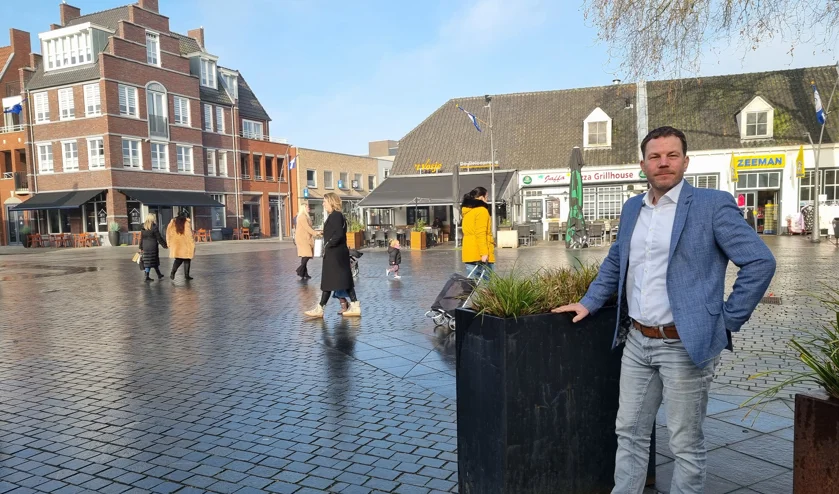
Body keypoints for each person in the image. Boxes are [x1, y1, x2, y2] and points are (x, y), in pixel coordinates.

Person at [553, 126, 776, 494]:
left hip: (685, 345)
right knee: (629, 432)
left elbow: (759, 263)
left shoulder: (711, 205)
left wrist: (725, 322)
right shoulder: (631, 208)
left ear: (686, 161)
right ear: (643, 164)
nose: (664, 163)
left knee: (685, 444)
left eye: (672, 155)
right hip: (637, 342)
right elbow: (615, 261)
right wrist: (589, 301)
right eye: (655, 157)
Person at [304, 192, 361, 318]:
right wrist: (326, 234)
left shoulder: (335, 216)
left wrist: (328, 245)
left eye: (324, 201)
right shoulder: (337, 216)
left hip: (335, 254)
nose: (323, 204)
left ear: (331, 201)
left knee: (330, 281)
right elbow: (336, 233)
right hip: (338, 253)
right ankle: (354, 305)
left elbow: (339, 235)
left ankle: (320, 309)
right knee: (341, 280)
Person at [461, 186, 495, 280]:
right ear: (481, 197)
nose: (487, 199)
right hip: (480, 253)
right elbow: (481, 233)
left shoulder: (467, 212)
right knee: (487, 287)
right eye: (486, 197)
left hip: (469, 252)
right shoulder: (481, 211)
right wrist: (484, 253)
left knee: (472, 283)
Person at [139, 213, 168, 282]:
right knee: (152, 260)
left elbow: (141, 238)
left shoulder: (143, 227)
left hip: (145, 246)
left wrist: (140, 247)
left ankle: (158, 274)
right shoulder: (154, 227)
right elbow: (159, 237)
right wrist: (164, 245)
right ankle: (147, 277)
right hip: (152, 246)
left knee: (149, 261)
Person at [167, 210, 195, 280]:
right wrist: (192, 243)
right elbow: (189, 235)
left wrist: (169, 242)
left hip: (176, 244)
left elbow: (168, 233)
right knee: (187, 259)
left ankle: (172, 273)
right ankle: (186, 275)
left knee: (178, 260)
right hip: (185, 244)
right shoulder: (186, 223)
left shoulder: (173, 222)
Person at [295, 201, 317, 280]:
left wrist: (316, 232)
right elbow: (307, 227)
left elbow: (309, 228)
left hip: (305, 238)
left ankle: (304, 273)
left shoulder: (306, 216)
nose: (309, 208)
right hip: (303, 239)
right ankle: (300, 270)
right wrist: (315, 233)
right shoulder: (302, 217)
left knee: (305, 256)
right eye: (307, 207)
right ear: (304, 208)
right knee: (307, 255)